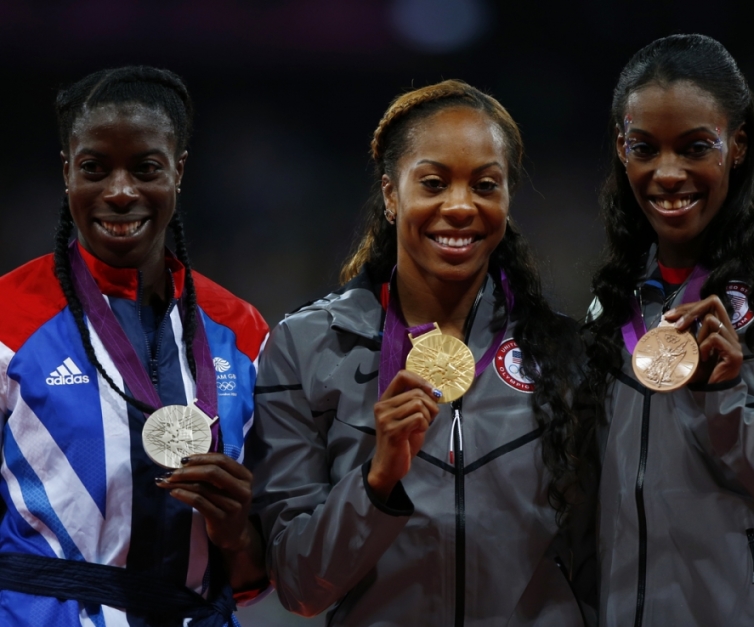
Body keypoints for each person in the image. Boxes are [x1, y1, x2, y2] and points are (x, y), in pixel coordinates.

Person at [249, 79, 595, 626]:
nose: (460, 206)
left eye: (485, 185)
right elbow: (297, 584)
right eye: (433, 183)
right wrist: (376, 481)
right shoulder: (305, 347)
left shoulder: (564, 354)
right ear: (392, 195)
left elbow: (600, 558)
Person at [585, 33, 754, 625]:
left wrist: (728, 408)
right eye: (645, 148)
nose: (668, 173)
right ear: (621, 150)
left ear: (738, 146)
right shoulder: (615, 307)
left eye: (695, 147)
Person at [0, 66, 269, 626]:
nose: (120, 193)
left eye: (146, 169)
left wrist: (237, 530)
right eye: (95, 169)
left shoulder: (242, 330)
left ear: (179, 172)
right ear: (67, 173)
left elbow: (254, 577)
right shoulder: (8, 318)